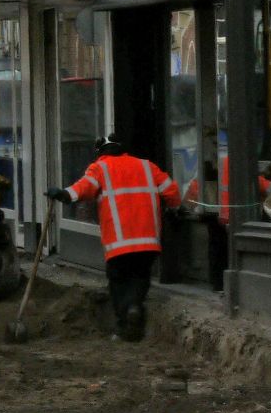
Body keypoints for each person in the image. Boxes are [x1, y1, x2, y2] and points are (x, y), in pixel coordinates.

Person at [48, 135, 179, 342]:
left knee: (118, 282)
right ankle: (135, 307)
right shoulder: (147, 166)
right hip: (148, 240)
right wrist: (174, 207)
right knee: (140, 277)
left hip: (119, 243)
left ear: (100, 152)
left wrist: (63, 194)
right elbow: (172, 191)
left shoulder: (100, 168)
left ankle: (123, 326)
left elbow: (83, 188)